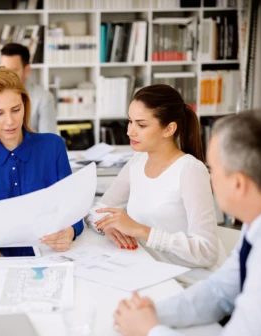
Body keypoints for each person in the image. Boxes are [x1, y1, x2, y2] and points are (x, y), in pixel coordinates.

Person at [113, 110, 261, 336]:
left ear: (239, 184)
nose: (209, 177)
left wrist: (151, 332)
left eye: (214, 170)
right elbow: (221, 290)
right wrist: (153, 313)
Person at [85, 84, 226, 284]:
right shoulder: (137, 162)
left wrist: (141, 230)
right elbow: (96, 210)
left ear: (169, 129)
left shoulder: (190, 170)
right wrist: (107, 227)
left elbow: (207, 251)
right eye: (130, 121)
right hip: (150, 272)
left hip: (189, 281)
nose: (130, 132)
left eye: (141, 125)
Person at [0, 67, 83, 254]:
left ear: (25, 105)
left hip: (49, 257)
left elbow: (73, 209)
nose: (10, 121)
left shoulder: (52, 147)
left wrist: (70, 231)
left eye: (16, 110)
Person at [0, 43, 57, 135]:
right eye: (3, 70)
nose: (7, 75)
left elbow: (48, 142)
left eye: (13, 70)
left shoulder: (44, 99)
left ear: (27, 70)